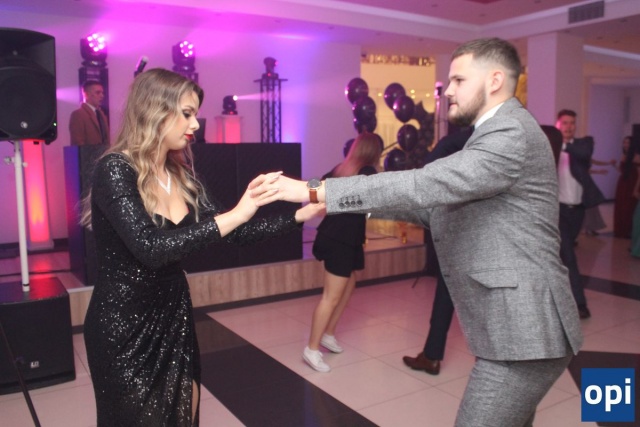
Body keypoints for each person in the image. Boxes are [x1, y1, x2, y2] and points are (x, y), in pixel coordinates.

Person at [252, 38, 583, 427]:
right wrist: (340, 203)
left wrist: (314, 189)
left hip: (525, 332)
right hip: (518, 331)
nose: (449, 91)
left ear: (494, 80)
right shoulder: (495, 132)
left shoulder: (510, 132)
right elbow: (434, 209)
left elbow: (426, 185)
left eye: (459, 80)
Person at [81, 68, 322, 426]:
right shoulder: (115, 169)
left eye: (195, 114)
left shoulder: (180, 175)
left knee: (183, 415)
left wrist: (301, 215)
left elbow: (236, 234)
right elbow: (151, 248)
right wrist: (236, 214)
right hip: (123, 325)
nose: (195, 124)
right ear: (155, 110)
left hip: (173, 316)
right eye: (187, 113)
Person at [303, 132, 381, 373]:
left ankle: (328, 334)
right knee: (331, 297)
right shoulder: (366, 172)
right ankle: (311, 349)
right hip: (340, 239)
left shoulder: (343, 169)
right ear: (375, 152)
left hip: (346, 238)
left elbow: (315, 186)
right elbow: (315, 189)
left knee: (350, 283)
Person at [402, 126, 472, 376]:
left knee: (446, 296)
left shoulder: (459, 140)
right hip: (489, 235)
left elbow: (427, 171)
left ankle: (432, 355)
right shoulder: (500, 138)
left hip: (461, 233)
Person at [555, 109, 606, 319]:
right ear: (558, 125)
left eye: (572, 123)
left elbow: (583, 154)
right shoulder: (551, 148)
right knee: (569, 256)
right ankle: (580, 303)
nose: (569, 127)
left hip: (577, 212)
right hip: (557, 211)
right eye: (565, 123)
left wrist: (562, 144)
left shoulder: (584, 144)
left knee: (562, 257)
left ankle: (557, 297)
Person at [614, 136, 640, 238]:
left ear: (632, 144)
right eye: (624, 142)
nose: (625, 145)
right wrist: (614, 166)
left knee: (629, 209)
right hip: (622, 185)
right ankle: (621, 231)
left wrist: (636, 190)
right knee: (621, 208)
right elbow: (622, 172)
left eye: (628, 143)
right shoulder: (623, 156)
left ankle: (629, 231)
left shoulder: (637, 157)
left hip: (632, 185)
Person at [69, 80, 110, 145]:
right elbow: (77, 143)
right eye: (98, 92)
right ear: (86, 94)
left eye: (102, 93)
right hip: (89, 151)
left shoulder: (102, 114)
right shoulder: (78, 115)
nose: (102, 96)